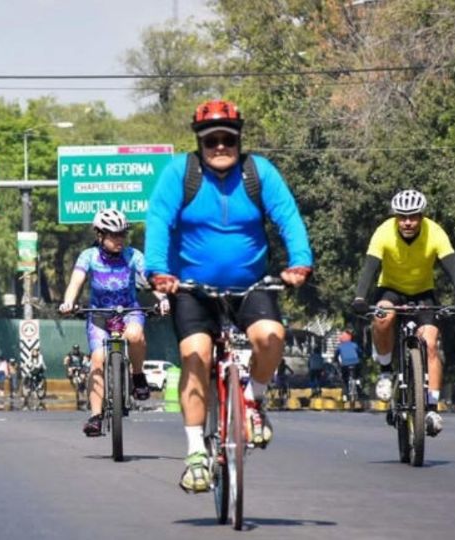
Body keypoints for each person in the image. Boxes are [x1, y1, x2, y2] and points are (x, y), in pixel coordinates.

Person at [145, 99, 313, 493]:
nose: (220, 147)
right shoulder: (179, 174)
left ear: (238, 140)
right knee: (196, 356)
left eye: (228, 139)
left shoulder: (259, 173)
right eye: (211, 141)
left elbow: (288, 217)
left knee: (271, 337)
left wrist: (300, 262)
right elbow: (158, 220)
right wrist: (158, 271)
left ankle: (253, 402)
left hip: (250, 285)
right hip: (191, 289)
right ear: (200, 143)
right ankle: (195, 457)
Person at [351, 189, 455, 437]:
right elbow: (369, 269)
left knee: (430, 343)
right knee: (382, 316)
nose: (407, 222)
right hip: (390, 290)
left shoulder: (435, 233)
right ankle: (385, 371)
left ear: (421, 217)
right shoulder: (384, 232)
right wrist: (360, 297)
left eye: (413, 217)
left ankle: (432, 407)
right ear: (396, 217)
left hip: (423, 292)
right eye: (402, 217)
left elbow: (454, 269)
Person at [59, 208, 165, 436]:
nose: (119, 239)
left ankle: (137, 376)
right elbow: (75, 282)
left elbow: (150, 280)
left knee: (135, 335)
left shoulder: (133, 255)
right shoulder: (88, 256)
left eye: (122, 234)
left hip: (129, 310)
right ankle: (96, 417)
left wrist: (163, 299)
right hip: (99, 315)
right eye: (113, 235)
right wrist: (68, 302)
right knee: (97, 359)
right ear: (99, 235)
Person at [334, 331, 363, 398]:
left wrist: (336, 361)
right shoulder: (354, 345)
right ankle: (358, 382)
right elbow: (360, 352)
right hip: (355, 363)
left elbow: (336, 356)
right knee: (358, 374)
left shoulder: (340, 346)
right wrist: (361, 356)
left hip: (345, 365)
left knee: (344, 378)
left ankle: (346, 391)